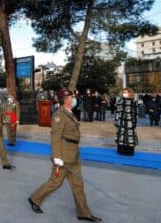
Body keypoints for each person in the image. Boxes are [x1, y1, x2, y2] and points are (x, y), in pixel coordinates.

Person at [28, 89, 102, 222]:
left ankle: (83, 213)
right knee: (54, 183)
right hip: (63, 155)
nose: (73, 99)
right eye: (71, 97)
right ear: (65, 100)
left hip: (74, 154)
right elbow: (55, 136)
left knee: (78, 185)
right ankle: (34, 199)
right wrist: (57, 157)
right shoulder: (59, 115)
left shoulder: (70, 114)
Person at [114, 88, 138, 156]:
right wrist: (116, 121)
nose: (125, 93)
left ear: (130, 93)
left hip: (130, 121)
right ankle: (121, 150)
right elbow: (117, 112)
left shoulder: (133, 102)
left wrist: (134, 122)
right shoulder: (119, 101)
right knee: (121, 136)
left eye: (126, 92)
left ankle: (129, 151)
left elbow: (136, 113)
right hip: (121, 121)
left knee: (129, 137)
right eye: (124, 92)